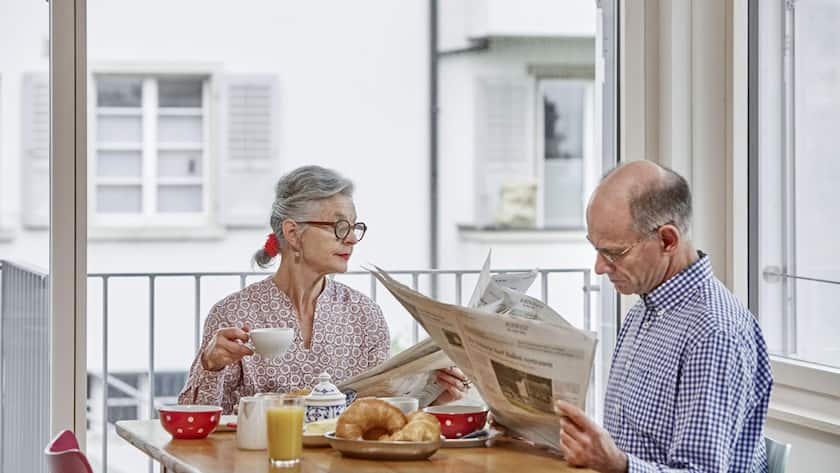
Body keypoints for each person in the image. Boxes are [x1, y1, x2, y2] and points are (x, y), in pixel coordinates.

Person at [178, 165, 468, 414]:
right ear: (293, 233)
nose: (352, 239)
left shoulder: (364, 314)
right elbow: (196, 421)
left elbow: (377, 415)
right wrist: (210, 364)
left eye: (355, 228)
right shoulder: (233, 313)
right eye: (340, 227)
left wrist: (433, 400)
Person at [553, 161, 772, 472]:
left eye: (614, 253)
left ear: (667, 240)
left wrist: (618, 464)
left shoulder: (714, 333)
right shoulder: (646, 307)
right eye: (595, 249)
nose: (599, 268)